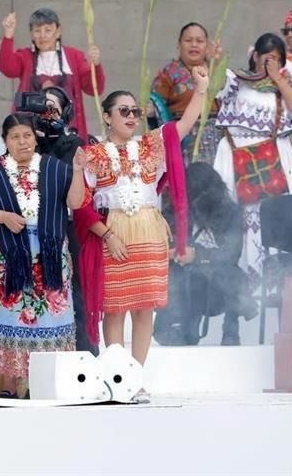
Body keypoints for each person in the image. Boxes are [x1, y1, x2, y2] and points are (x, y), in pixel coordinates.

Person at [79, 72, 209, 402]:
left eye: (135, 111)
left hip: (149, 229)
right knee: (115, 309)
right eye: (123, 111)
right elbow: (80, 202)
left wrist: (202, 89)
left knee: (144, 310)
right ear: (107, 117)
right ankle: (115, 378)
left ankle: (135, 380)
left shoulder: (152, 145)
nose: (132, 117)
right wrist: (107, 236)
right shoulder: (92, 154)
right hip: (115, 232)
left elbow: (184, 125)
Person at [0, 113, 87, 397]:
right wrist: (4, 217)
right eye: (15, 137)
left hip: (48, 257)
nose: (22, 142)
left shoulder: (55, 169)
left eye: (27, 135)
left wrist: (78, 170)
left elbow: (75, 202)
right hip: (4, 257)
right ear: (5, 141)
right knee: (9, 318)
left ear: (35, 138)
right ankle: (7, 385)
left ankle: (39, 384)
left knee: (46, 320)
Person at [212, 33, 292, 279]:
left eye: (276, 59)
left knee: (268, 220)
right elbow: (216, 87)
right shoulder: (237, 81)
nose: (269, 64)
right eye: (266, 58)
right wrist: (215, 62)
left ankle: (267, 281)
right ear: (254, 56)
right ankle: (234, 285)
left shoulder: (284, 87)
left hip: (272, 162)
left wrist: (278, 80)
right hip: (235, 157)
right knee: (235, 220)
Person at [153, 163, 256, 347]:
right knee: (188, 276)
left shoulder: (229, 212)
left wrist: (197, 255)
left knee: (229, 273)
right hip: (182, 282)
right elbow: (161, 239)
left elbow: (231, 255)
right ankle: (181, 330)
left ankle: (230, 331)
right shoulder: (177, 208)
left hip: (217, 285)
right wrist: (170, 250)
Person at [29, 86, 98, 355]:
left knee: (75, 295)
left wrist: (54, 138)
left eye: (53, 108)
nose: (47, 114)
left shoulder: (75, 144)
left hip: (65, 229)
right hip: (31, 229)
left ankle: (85, 355)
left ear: (66, 112)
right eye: (41, 108)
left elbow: (72, 185)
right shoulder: (25, 141)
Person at [0, 9, 104, 142]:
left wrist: (95, 65)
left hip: (69, 132)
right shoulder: (25, 56)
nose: (43, 35)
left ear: (58, 31)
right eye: (37, 31)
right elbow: (7, 68)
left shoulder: (74, 56)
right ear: (31, 34)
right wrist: (8, 35)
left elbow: (94, 89)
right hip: (33, 133)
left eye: (48, 30)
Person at [149, 22, 223, 163]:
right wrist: (148, 109)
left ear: (207, 46)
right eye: (188, 40)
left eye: (199, 41)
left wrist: (217, 63)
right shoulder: (168, 73)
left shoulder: (216, 72)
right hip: (183, 139)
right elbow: (155, 103)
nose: (194, 45)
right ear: (179, 45)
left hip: (215, 139)